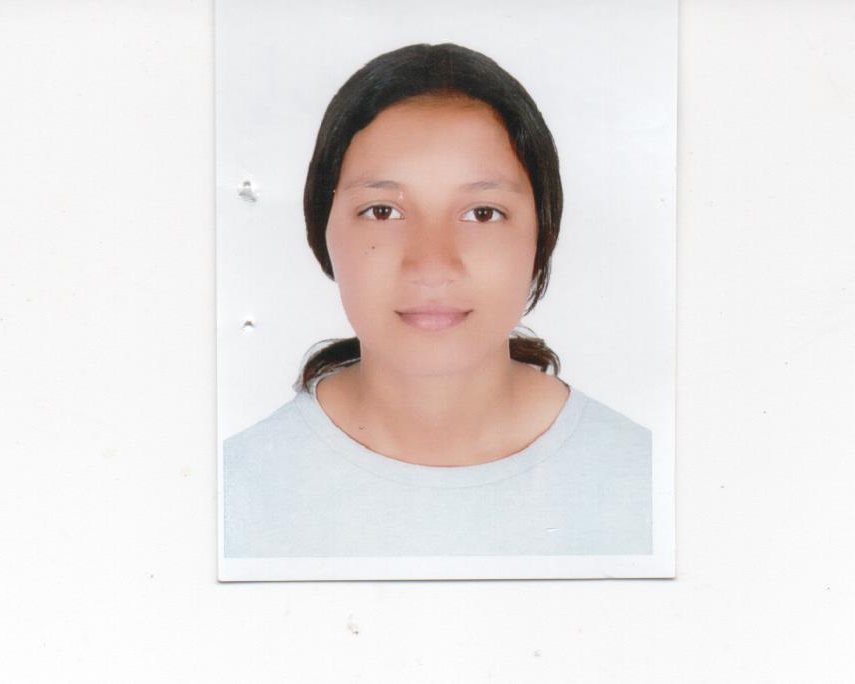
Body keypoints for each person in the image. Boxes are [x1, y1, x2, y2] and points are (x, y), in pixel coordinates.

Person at [222, 43, 651, 559]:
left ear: (542, 234)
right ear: (322, 231)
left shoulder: (650, 482)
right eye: (383, 211)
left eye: (483, 213)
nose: (431, 264)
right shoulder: (228, 494)